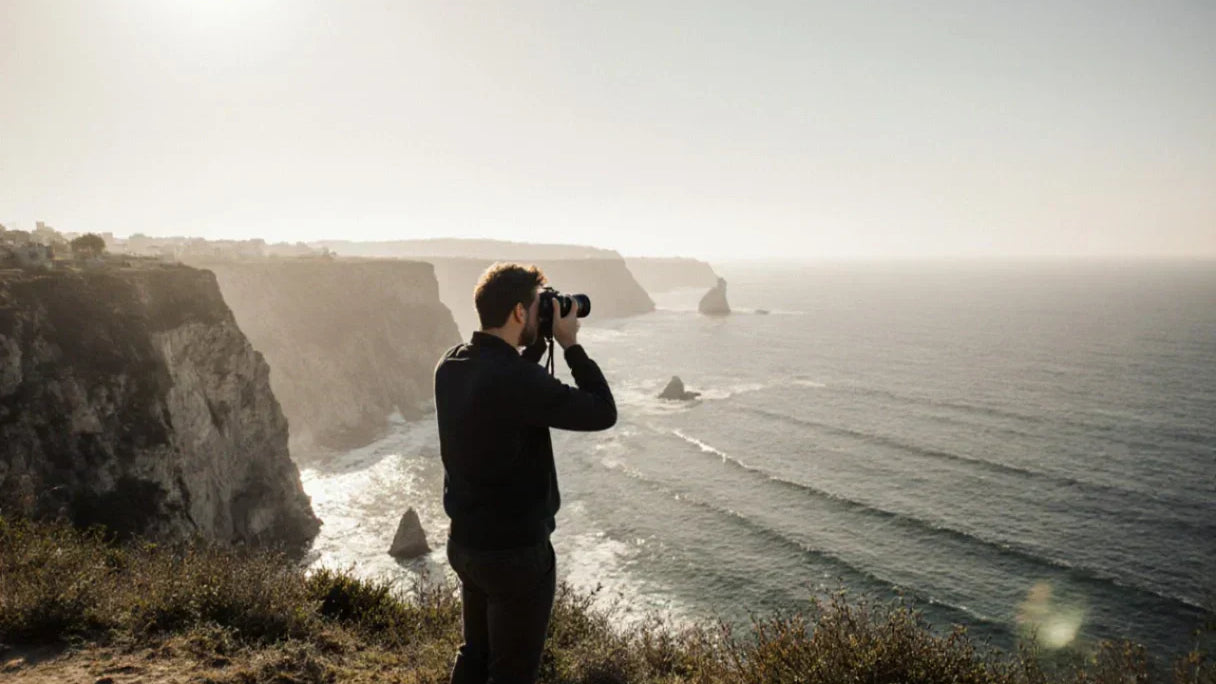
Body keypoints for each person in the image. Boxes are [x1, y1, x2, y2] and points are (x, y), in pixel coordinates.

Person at [434, 262, 616, 683]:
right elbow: (602, 411)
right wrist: (570, 345)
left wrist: (534, 343)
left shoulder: (452, 363)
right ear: (519, 312)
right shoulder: (517, 381)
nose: (546, 312)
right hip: (515, 555)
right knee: (512, 673)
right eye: (540, 306)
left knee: (475, 654)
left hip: (466, 543)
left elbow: (508, 384)